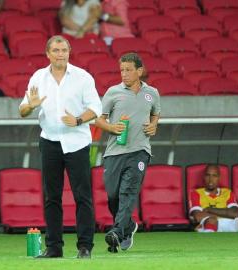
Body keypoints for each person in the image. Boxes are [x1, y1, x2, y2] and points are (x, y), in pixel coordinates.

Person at [19, 35, 102, 259]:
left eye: (64, 50)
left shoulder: (82, 77)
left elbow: (96, 107)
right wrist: (31, 106)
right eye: (56, 50)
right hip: (50, 142)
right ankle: (54, 248)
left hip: (77, 143)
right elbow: (22, 110)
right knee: (51, 197)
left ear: (69, 52)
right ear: (48, 53)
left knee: (82, 196)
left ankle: (85, 247)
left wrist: (77, 120)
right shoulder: (39, 77)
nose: (60, 54)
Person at [95, 53, 160, 253]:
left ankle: (116, 232)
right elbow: (99, 119)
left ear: (139, 71)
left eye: (128, 70)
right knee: (113, 195)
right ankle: (128, 226)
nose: (124, 74)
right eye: (122, 70)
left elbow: (155, 113)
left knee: (128, 193)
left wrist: (154, 125)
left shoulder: (152, 93)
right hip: (114, 152)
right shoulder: (113, 92)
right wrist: (112, 128)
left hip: (140, 151)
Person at [189, 164, 238, 233]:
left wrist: (209, 209)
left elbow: (235, 213)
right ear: (204, 177)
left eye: (214, 176)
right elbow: (198, 217)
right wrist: (225, 213)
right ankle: (208, 242)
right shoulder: (196, 193)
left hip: (228, 223)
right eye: (208, 175)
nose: (210, 179)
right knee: (212, 220)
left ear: (219, 178)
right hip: (209, 222)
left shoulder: (227, 192)